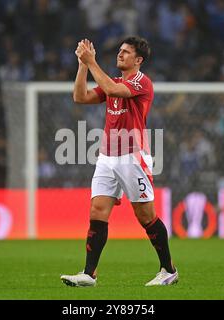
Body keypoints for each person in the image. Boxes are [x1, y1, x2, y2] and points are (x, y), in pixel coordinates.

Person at [60, 37, 178, 287]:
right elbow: (80, 97)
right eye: (119, 51)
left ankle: (168, 270)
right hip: (107, 156)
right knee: (97, 211)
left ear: (138, 60)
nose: (120, 55)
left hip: (132, 156)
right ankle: (89, 273)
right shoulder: (112, 81)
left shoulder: (141, 82)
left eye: (126, 52)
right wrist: (82, 65)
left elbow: (114, 91)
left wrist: (92, 61)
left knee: (146, 216)